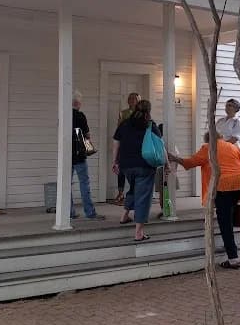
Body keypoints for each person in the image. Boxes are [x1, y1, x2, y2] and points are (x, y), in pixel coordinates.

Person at [168, 132, 240, 269]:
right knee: (233, 217)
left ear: (207, 140)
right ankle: (238, 249)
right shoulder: (233, 147)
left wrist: (174, 158)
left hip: (223, 186)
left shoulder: (208, 148)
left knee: (225, 223)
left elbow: (190, 162)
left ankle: (233, 258)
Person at [112, 99, 169, 241]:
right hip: (144, 166)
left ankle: (124, 216)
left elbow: (116, 143)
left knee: (134, 188)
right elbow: (161, 146)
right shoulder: (150, 125)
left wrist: (115, 161)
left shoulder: (125, 124)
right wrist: (166, 163)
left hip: (126, 166)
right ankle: (139, 232)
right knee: (143, 197)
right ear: (148, 111)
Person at [71, 91, 105, 220]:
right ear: (78, 103)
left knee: (67, 184)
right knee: (84, 183)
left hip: (67, 154)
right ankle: (90, 212)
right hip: (79, 154)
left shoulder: (64, 114)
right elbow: (87, 135)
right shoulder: (80, 116)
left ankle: (69, 212)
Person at [114, 92, 141, 205]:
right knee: (121, 168)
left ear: (138, 101)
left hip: (136, 145)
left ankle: (134, 192)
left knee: (134, 169)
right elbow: (119, 128)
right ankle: (120, 193)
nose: (131, 100)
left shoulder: (141, 114)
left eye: (134, 99)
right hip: (124, 143)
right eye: (130, 98)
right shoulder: (123, 113)